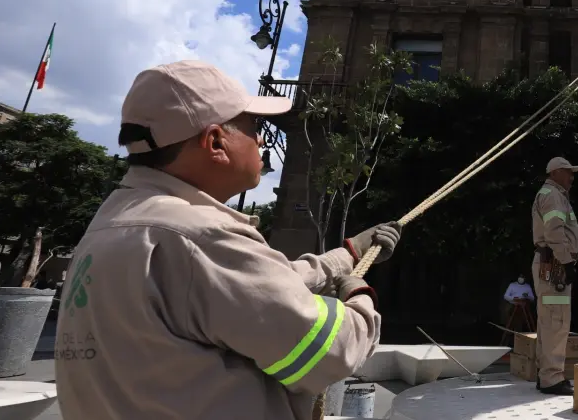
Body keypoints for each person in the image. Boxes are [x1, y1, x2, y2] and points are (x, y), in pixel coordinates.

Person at [54, 60, 403, 420]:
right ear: (216, 141)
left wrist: (348, 254)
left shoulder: (116, 222)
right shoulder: (200, 235)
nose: (262, 139)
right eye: (254, 127)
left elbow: (259, 284)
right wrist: (358, 294)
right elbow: (329, 352)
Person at [530, 156, 578, 395]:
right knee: (556, 321)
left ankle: (546, 375)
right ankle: (552, 378)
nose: (572, 177)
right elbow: (554, 233)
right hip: (555, 264)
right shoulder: (552, 196)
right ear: (556, 172)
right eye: (568, 172)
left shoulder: (553, 195)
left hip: (551, 263)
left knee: (548, 320)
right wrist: (567, 262)